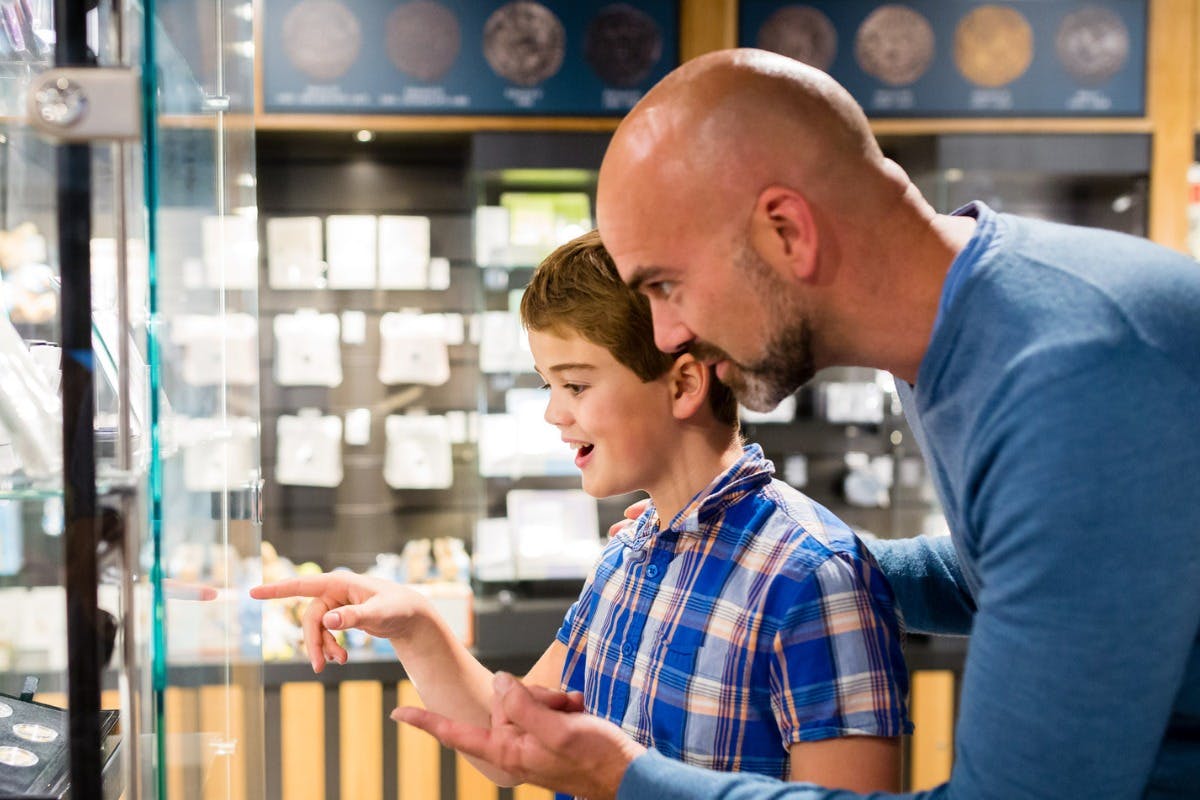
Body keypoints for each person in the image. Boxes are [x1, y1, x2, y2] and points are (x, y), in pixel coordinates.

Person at [392, 49, 1200, 799]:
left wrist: (626, 777)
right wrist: (768, 563)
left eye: (666, 286)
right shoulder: (964, 341)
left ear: (786, 232)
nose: (670, 334)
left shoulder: (1074, 373)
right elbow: (1005, 571)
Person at [252, 230, 911, 791]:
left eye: (575, 384)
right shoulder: (631, 551)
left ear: (684, 383)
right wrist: (415, 624)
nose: (552, 412)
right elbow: (513, 744)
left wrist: (621, 780)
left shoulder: (815, 578)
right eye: (549, 385)